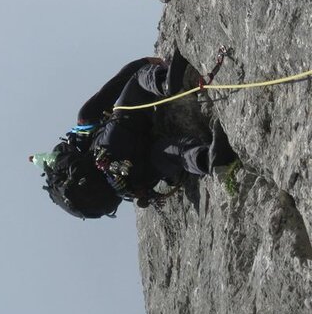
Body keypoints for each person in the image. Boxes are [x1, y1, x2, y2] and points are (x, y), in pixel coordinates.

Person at [31, 50, 237, 215]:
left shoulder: (96, 189)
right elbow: (121, 81)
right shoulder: (85, 122)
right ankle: (164, 83)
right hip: (114, 147)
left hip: (136, 181)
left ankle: (209, 159)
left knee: (173, 154)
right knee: (139, 81)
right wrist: (145, 62)